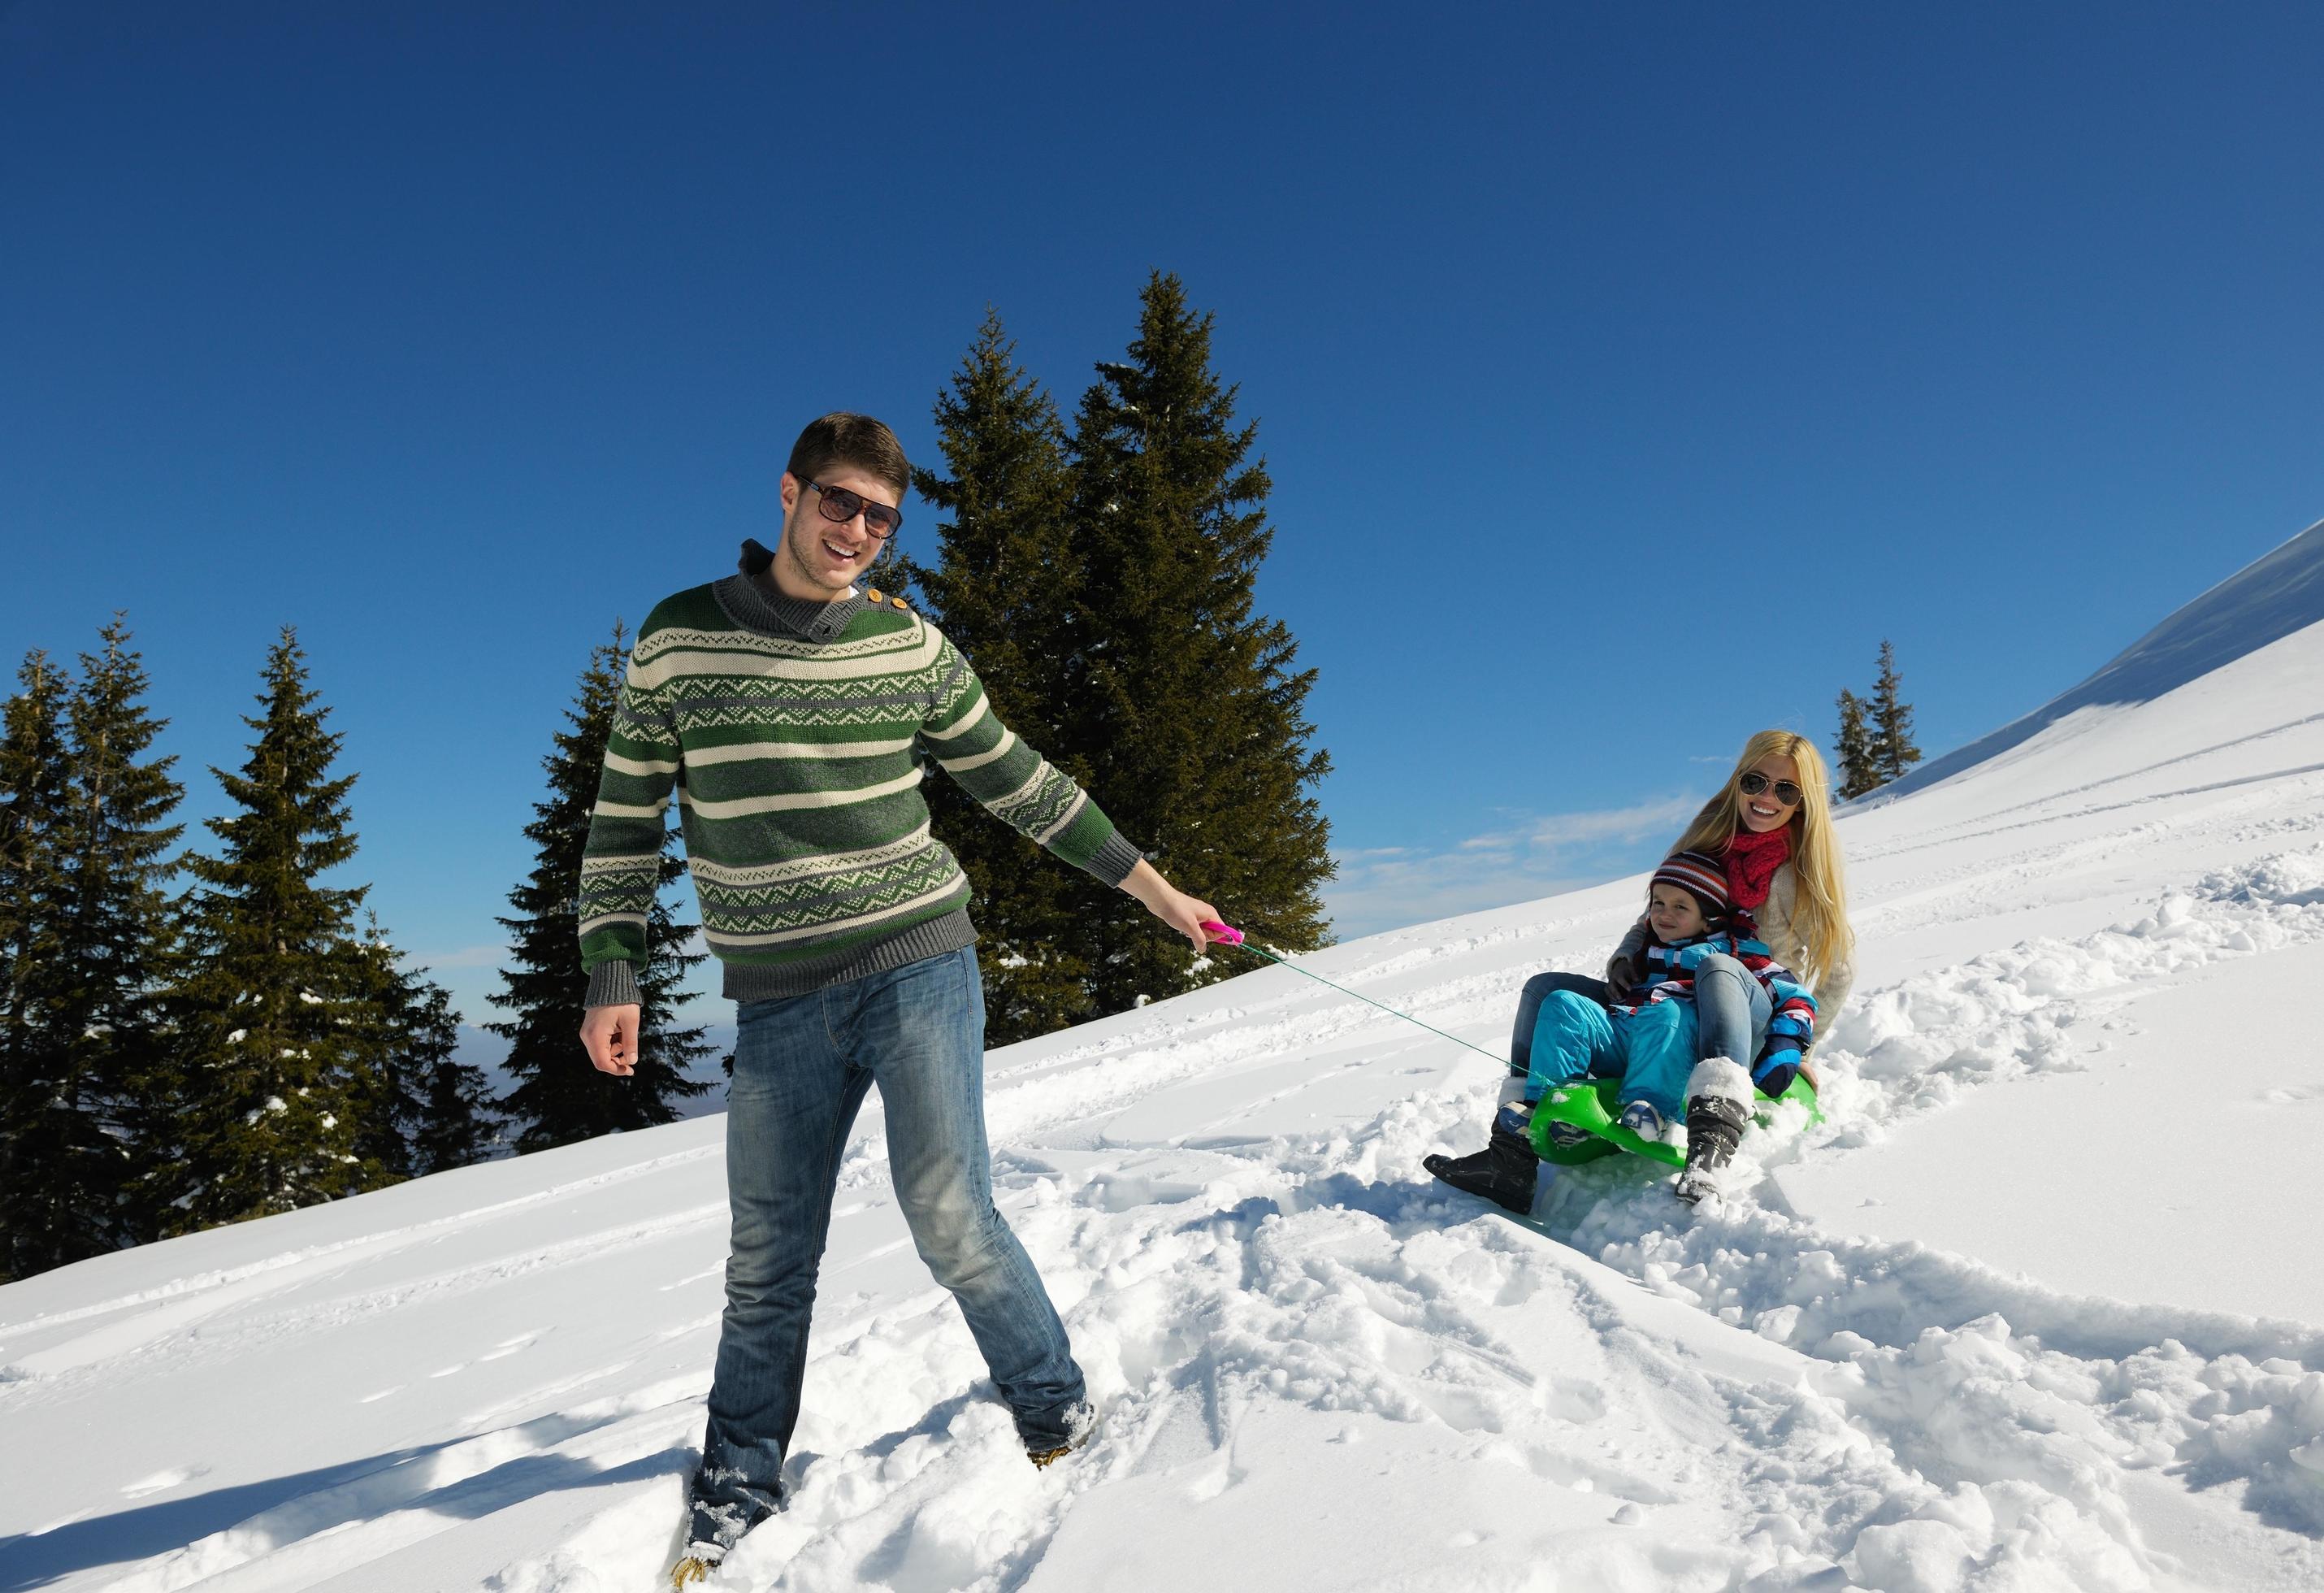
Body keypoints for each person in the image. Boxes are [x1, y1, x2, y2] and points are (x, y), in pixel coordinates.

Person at [574, 414, 1220, 1586]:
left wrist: (1155, 890)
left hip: (920, 961)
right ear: (788, 491)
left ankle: (1053, 1405)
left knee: (949, 1212)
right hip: (776, 999)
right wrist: (610, 972)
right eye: (839, 503)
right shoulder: (681, 639)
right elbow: (624, 818)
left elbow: (1017, 780)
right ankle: (737, 1480)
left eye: (880, 516)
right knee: (769, 1256)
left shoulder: (909, 646)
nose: (857, 532)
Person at [1424, 730, 1855, 1211]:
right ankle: (1512, 1154)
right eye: (1756, 781)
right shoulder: (1709, 842)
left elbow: (1837, 973)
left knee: (1718, 966)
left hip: (1743, 1019)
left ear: (1804, 803)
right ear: (1739, 780)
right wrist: (1625, 959)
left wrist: (1800, 1047)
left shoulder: (1794, 874)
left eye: (1787, 790)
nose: (1766, 798)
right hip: (1664, 1001)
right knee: (1545, 991)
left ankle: (1710, 1143)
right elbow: (1651, 916)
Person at [1423, 851, 1817, 1207]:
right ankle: (1540, 1117)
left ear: (1709, 916)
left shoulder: (1733, 950)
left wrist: (1787, 1044)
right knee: (1561, 1003)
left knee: (1667, 1014)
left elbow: (1794, 995)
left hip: (1682, 1044)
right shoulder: (1646, 951)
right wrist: (1622, 968)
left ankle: (1654, 1114)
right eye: (1658, 903)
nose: (1665, 913)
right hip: (1628, 1033)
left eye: (1681, 907)